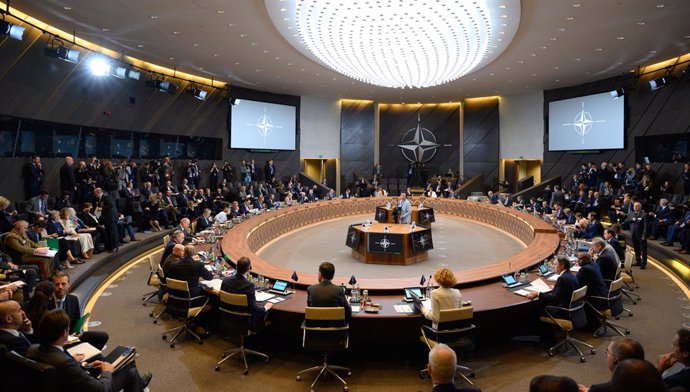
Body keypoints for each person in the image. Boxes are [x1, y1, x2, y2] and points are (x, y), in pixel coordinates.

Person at [26, 309, 152, 392]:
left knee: (126, 364)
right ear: (65, 332)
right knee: (131, 372)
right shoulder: (64, 363)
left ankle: (139, 384)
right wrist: (106, 372)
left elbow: (63, 373)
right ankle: (139, 384)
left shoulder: (32, 349)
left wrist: (85, 365)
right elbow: (100, 389)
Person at [48, 272, 109, 350]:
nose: (60, 287)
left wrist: (78, 331)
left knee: (103, 336)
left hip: (70, 338)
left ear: (69, 284)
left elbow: (76, 321)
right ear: (53, 286)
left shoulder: (73, 299)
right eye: (57, 284)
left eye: (63, 284)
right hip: (55, 341)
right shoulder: (47, 301)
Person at [526, 256, 578, 342]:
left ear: (562, 265)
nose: (553, 266)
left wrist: (538, 293)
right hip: (572, 309)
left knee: (537, 310)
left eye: (555, 264)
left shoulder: (562, 278)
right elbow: (565, 290)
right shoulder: (570, 275)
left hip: (562, 310)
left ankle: (547, 340)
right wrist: (556, 288)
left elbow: (554, 298)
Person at [221, 257, 272, 332]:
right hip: (244, 317)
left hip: (227, 315)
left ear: (236, 267)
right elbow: (254, 309)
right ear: (249, 269)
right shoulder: (249, 285)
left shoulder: (226, 280)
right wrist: (266, 308)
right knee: (267, 311)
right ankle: (259, 326)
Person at [93, 188, 119, 253]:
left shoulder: (106, 197)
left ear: (98, 192)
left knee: (113, 232)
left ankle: (115, 247)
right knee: (109, 233)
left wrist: (101, 208)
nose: (94, 195)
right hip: (107, 218)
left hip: (111, 218)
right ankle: (110, 247)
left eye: (95, 193)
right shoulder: (101, 198)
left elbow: (111, 205)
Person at [625, 201, 648, 268]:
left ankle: (643, 263)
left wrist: (644, 235)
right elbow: (626, 221)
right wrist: (632, 219)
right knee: (636, 248)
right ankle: (638, 261)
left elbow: (645, 226)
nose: (635, 207)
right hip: (633, 234)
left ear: (640, 207)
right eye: (634, 206)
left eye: (637, 206)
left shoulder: (644, 214)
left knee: (643, 249)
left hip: (641, 235)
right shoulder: (631, 214)